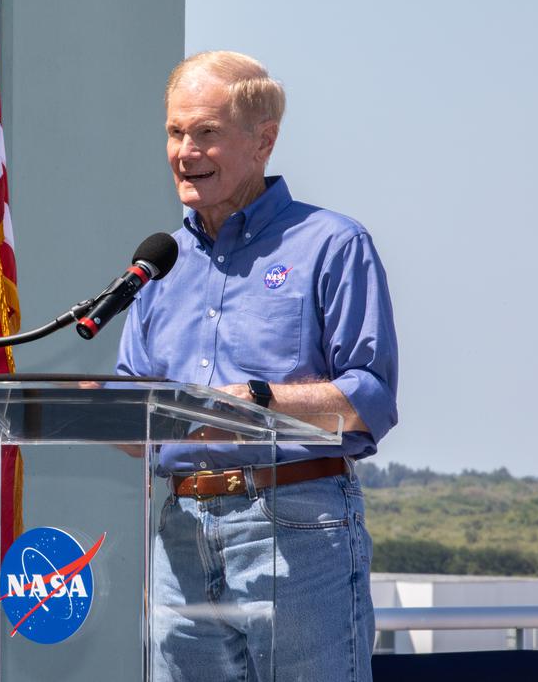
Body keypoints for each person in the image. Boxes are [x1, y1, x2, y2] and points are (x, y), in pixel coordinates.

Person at [116, 50, 399, 682]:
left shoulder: (332, 244)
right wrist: (86, 409)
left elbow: (371, 398)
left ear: (263, 141)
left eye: (207, 133)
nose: (185, 150)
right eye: (175, 131)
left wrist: (258, 399)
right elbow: (139, 413)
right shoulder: (159, 265)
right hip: (180, 528)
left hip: (296, 520)